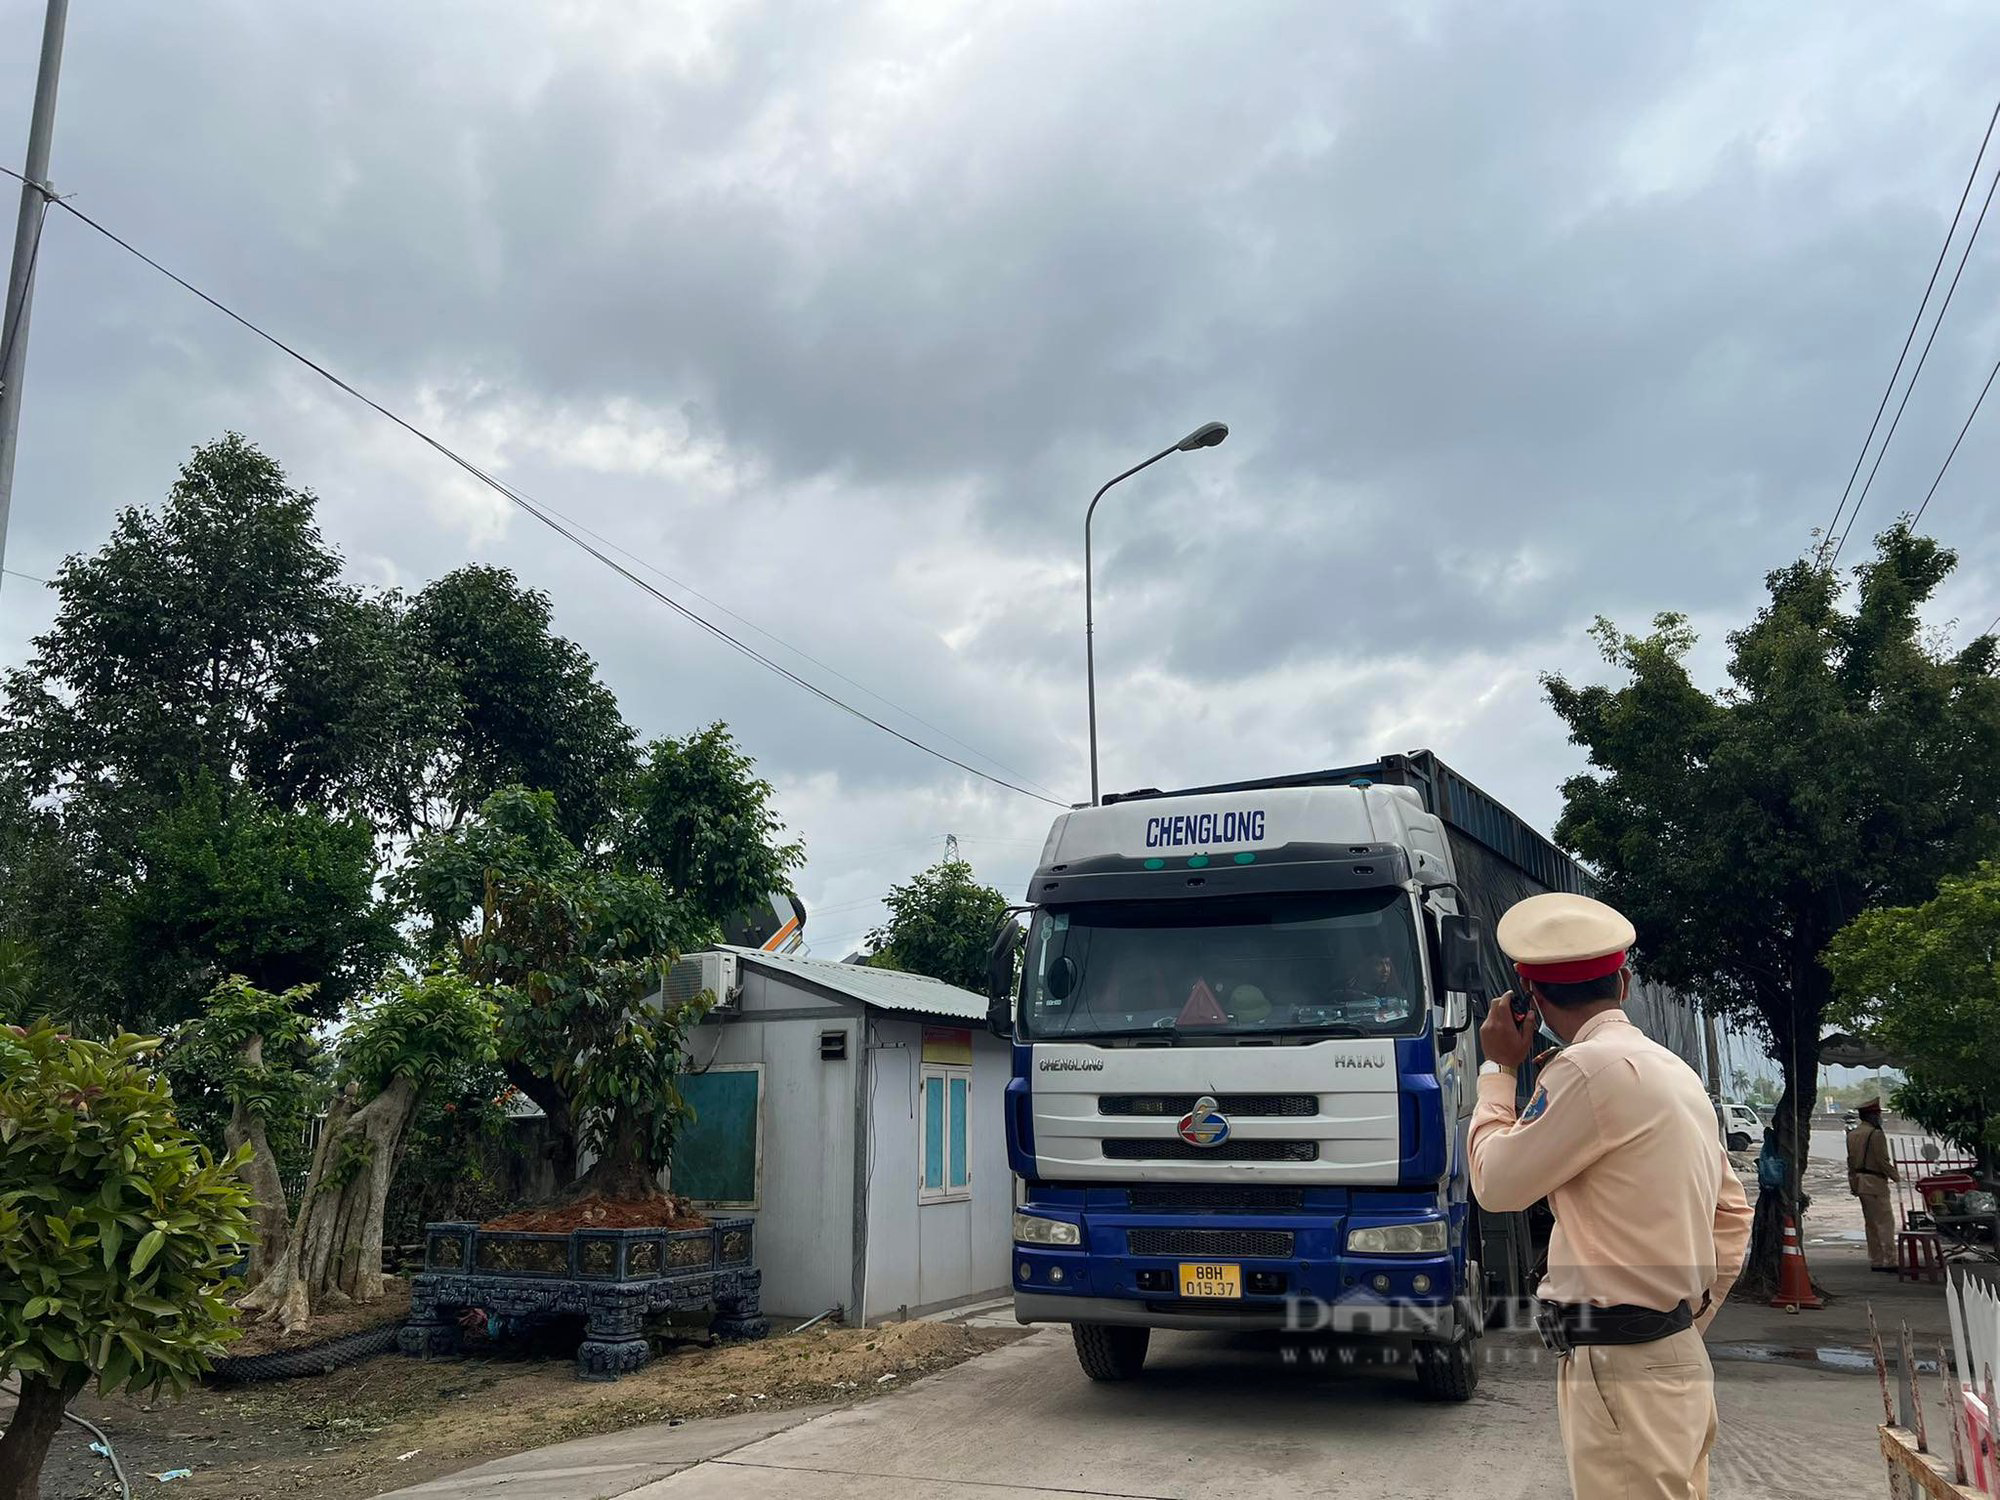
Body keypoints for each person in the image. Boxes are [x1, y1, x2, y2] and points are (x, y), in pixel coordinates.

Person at [1468, 892, 1752, 1500]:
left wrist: (1497, 1072)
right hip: (1671, 1353)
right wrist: (1681, 1327)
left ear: (1531, 999)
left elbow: (1493, 1185)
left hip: (1620, 1360)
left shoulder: (1582, 1072)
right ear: (1623, 980)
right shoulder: (1673, 1071)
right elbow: (1732, 1213)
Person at [1846, 1097, 1899, 1272]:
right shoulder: (1876, 1134)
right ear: (1872, 1116)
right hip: (1875, 1182)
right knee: (1885, 1222)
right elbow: (1882, 1160)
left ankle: (1876, 1259)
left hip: (1860, 1183)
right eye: (1877, 1115)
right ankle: (1889, 1260)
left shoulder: (1852, 1135)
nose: (1879, 1118)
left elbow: (1851, 1162)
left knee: (1871, 1223)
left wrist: (1853, 1184)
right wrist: (1896, 1176)